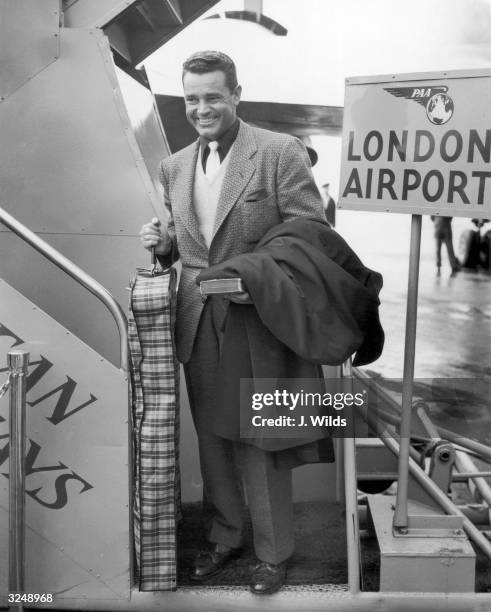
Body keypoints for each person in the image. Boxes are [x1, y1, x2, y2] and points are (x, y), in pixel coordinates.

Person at [139, 50, 325, 595]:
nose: (202, 108)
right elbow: (187, 247)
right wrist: (165, 245)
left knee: (261, 436)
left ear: (236, 95)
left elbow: (311, 236)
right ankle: (227, 535)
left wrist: (254, 277)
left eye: (213, 96)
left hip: (258, 317)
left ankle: (273, 552)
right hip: (197, 317)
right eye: (192, 98)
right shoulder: (173, 166)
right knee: (214, 435)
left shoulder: (278, 152)